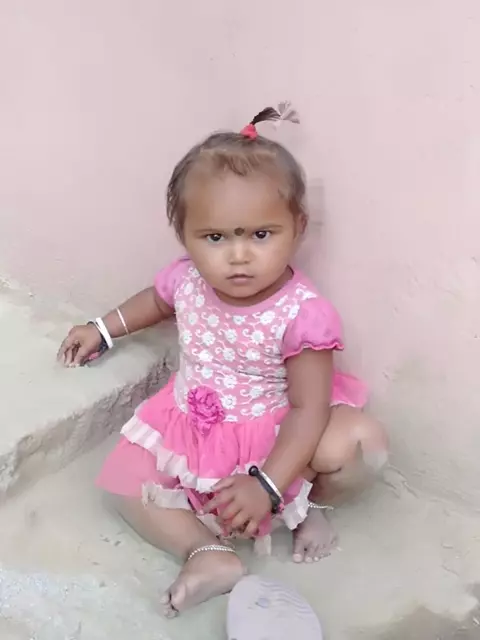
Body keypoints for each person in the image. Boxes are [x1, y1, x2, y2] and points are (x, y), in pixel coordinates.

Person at [58, 105, 388, 618]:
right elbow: (155, 302)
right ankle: (206, 553)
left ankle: (309, 507)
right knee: (123, 480)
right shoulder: (188, 280)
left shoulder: (302, 315)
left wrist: (268, 485)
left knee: (362, 443)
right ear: (185, 235)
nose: (238, 256)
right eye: (216, 237)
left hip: (278, 436)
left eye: (261, 235)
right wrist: (102, 329)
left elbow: (310, 409)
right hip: (194, 427)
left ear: (297, 227)